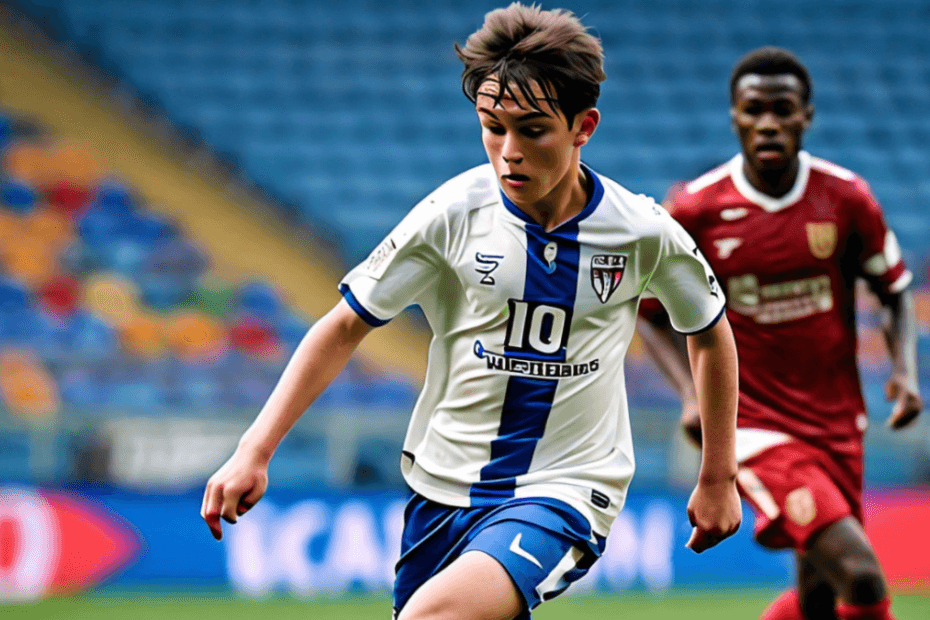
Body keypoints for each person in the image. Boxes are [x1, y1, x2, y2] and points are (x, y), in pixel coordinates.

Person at [201, 4, 742, 619]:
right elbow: (345, 324)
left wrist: (718, 475)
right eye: (492, 126)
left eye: (532, 130)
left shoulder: (642, 231)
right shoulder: (453, 212)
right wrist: (255, 448)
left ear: (582, 126)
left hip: (565, 488)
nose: (508, 151)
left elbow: (709, 331)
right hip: (441, 488)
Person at [638, 47, 923, 620]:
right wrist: (694, 396)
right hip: (753, 427)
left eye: (783, 109)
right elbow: (649, 314)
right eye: (755, 109)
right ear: (736, 116)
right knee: (862, 580)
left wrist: (904, 370)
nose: (769, 122)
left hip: (839, 423)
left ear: (806, 116)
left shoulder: (846, 198)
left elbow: (893, 289)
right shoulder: (699, 209)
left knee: (816, 599)